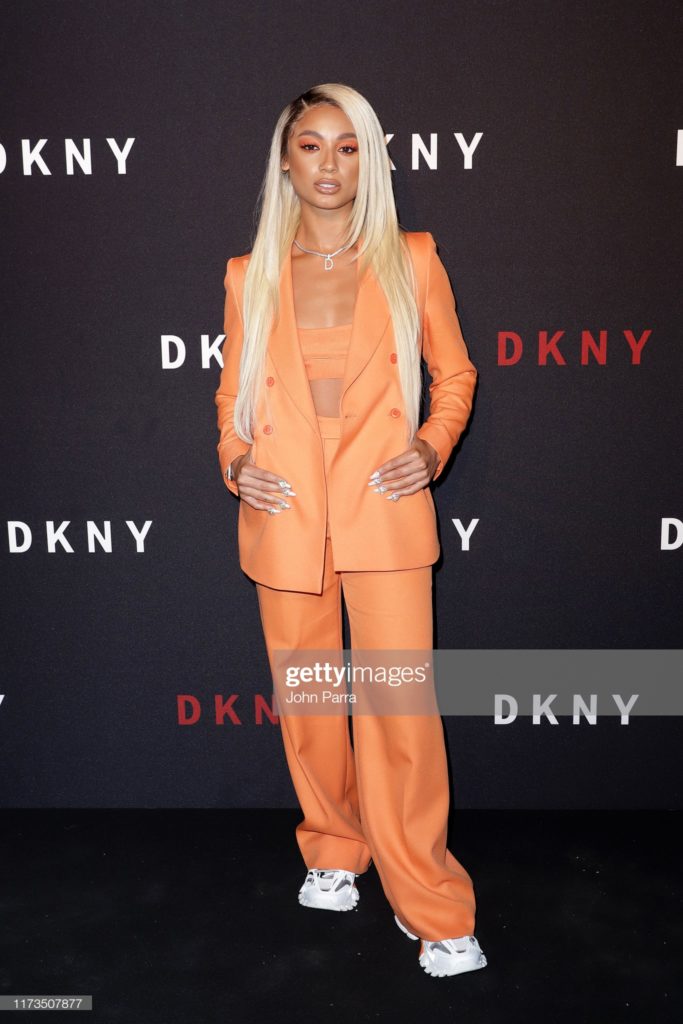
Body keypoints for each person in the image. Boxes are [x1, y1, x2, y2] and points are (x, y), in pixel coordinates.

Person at [214, 83, 486, 979]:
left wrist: (431, 444)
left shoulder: (411, 258)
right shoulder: (248, 274)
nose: (329, 165)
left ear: (370, 159)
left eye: (348, 147)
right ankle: (333, 848)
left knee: (399, 711)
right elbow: (234, 402)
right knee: (311, 710)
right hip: (286, 518)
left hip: (383, 514)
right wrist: (235, 460)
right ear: (284, 162)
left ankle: (433, 902)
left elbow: (454, 375)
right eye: (310, 147)